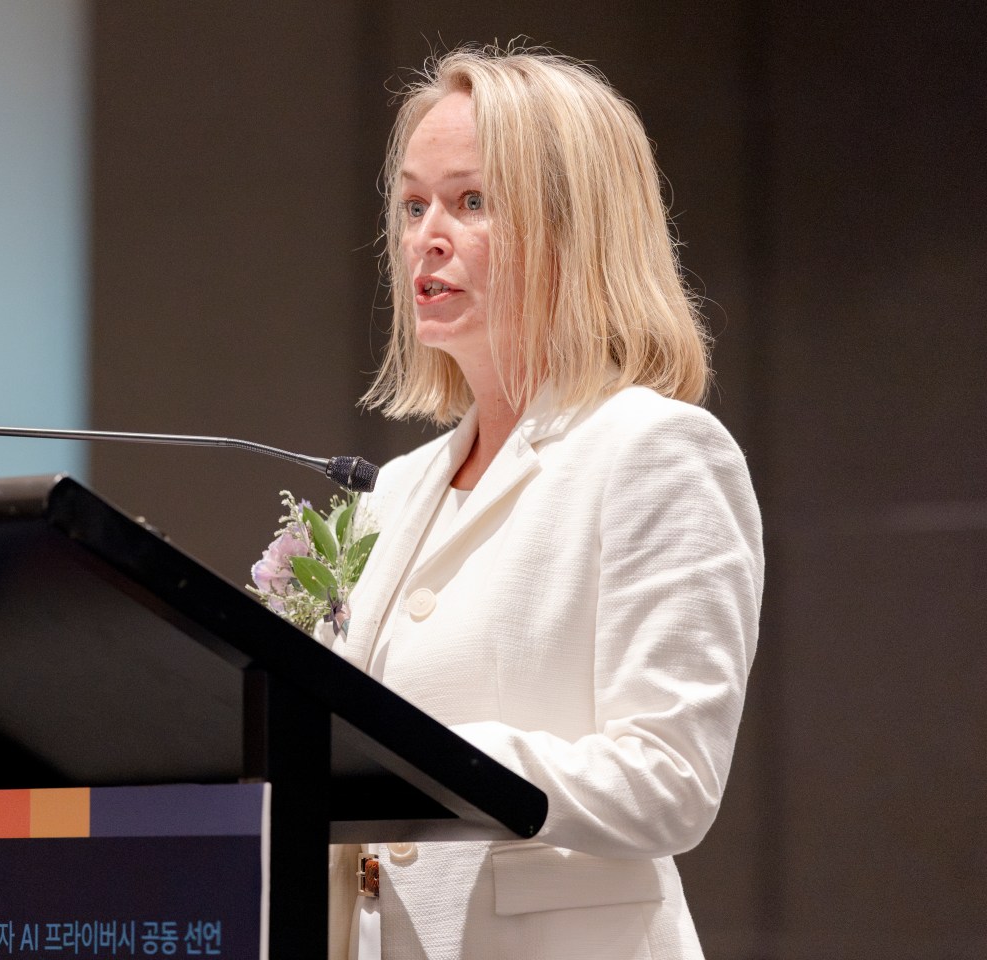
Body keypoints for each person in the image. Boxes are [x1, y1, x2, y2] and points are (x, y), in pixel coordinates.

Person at [324, 46, 765, 960]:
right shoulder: (395, 490)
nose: (426, 237)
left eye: (471, 201)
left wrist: (432, 759)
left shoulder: (652, 452)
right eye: (413, 206)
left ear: (577, 229)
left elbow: (672, 778)